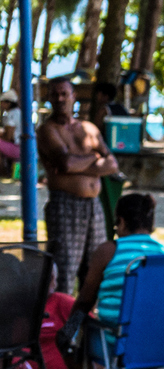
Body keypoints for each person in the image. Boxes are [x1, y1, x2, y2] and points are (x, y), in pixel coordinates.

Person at [70, 193, 164, 369]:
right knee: (151, 326)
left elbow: (85, 301)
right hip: (163, 343)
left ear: (121, 222)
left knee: (66, 342)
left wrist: (69, 330)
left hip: (115, 339)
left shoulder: (108, 251)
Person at [37, 77, 119, 295]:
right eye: (55, 94)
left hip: (94, 205)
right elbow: (66, 163)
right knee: (65, 270)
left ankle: (85, 322)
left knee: (95, 269)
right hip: (65, 204)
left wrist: (79, 164)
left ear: (74, 97)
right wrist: (93, 158)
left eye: (65, 93)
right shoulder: (48, 130)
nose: (60, 99)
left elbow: (112, 164)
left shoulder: (89, 128)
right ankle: (61, 324)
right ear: (49, 98)